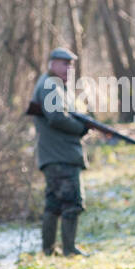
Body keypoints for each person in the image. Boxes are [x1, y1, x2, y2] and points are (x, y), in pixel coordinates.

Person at [30, 47, 98, 257]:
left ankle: (49, 250)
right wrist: (81, 128)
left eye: (70, 64)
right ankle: (69, 250)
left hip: (56, 154)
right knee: (71, 203)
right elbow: (57, 117)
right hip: (60, 155)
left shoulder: (56, 86)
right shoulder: (51, 85)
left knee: (54, 204)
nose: (68, 68)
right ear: (51, 64)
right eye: (63, 63)